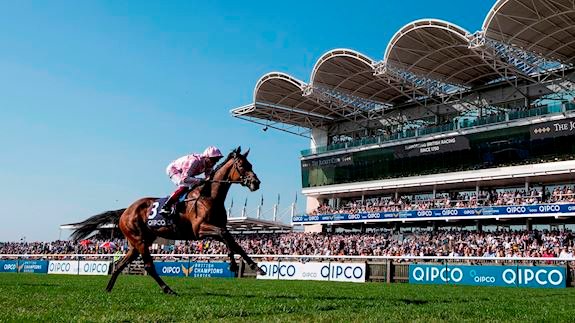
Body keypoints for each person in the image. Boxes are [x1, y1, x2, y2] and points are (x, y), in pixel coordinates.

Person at [159, 146, 224, 216]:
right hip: (174, 170)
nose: (215, 162)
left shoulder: (209, 164)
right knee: (184, 185)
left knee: (199, 185)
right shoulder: (194, 161)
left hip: (187, 173)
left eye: (217, 160)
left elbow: (208, 178)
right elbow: (185, 178)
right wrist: (200, 180)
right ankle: (166, 206)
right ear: (206, 157)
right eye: (213, 159)